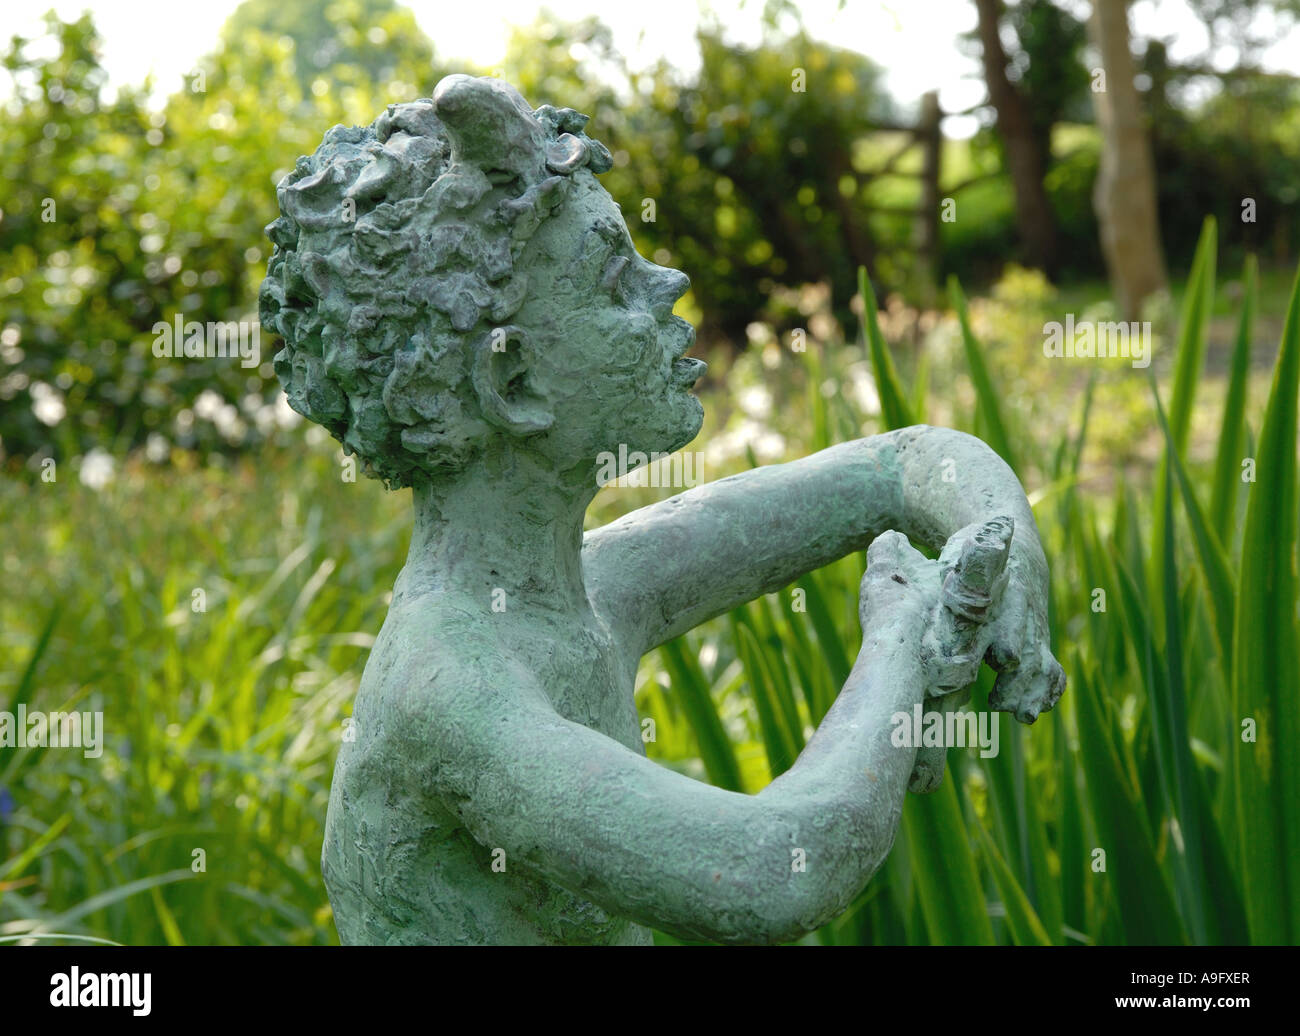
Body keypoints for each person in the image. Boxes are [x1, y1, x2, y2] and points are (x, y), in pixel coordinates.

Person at [259, 74, 1065, 945]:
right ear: (513, 382)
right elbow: (769, 873)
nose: (669, 281)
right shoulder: (451, 689)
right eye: (615, 279)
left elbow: (898, 464)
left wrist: (1011, 549)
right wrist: (900, 642)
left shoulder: (589, 588)